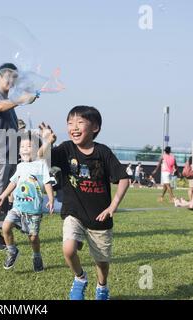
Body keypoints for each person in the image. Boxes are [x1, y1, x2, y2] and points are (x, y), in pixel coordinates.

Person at [39, 106, 130, 300]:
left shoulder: (103, 152)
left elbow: (123, 178)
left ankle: (102, 286)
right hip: (74, 212)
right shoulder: (66, 149)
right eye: (70, 123)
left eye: (80, 122)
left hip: (99, 218)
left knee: (102, 262)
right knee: (69, 249)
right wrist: (47, 142)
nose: (74, 127)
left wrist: (112, 206)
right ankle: (80, 278)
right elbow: (43, 159)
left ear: (95, 127)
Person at [0, 63, 37, 250]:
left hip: (8, 154)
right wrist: (21, 99)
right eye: (8, 77)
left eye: (14, 78)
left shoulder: (8, 100)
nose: (11, 81)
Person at [0, 131, 54, 272]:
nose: (25, 149)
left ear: (37, 150)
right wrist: (2, 196)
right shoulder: (20, 166)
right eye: (22, 147)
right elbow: (13, 182)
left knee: (33, 237)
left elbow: (47, 182)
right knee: (6, 227)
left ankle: (37, 256)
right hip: (17, 207)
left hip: (33, 210)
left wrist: (51, 198)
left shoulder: (41, 165)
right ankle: (12, 251)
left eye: (29, 146)